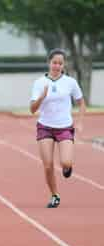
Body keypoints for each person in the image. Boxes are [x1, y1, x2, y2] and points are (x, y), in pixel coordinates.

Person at [30, 48, 86, 208]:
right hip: (45, 127)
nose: (57, 66)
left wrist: (80, 121)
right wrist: (41, 97)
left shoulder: (70, 82)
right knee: (48, 165)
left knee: (65, 163)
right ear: (49, 63)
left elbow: (81, 102)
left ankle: (67, 167)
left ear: (64, 65)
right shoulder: (39, 83)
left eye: (60, 63)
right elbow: (32, 109)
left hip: (64, 127)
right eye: (54, 62)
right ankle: (55, 195)